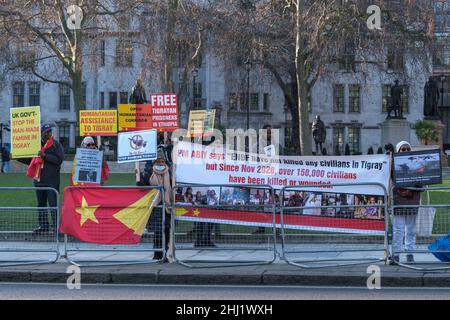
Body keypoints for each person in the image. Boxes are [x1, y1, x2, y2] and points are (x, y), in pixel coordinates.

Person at [16, 124, 64, 234]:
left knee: (53, 205)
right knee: (41, 205)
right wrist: (17, 157)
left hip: (52, 181)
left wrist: (44, 156)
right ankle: (43, 226)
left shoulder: (56, 145)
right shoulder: (36, 145)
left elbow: (59, 160)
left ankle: (57, 228)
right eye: (47, 132)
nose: (49, 133)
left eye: (50, 131)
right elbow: (30, 160)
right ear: (42, 133)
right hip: (39, 180)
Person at [390, 141, 423, 265]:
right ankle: (396, 254)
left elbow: (424, 182)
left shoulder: (417, 165)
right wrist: (390, 154)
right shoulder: (393, 164)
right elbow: (388, 173)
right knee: (398, 229)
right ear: (398, 151)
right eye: (402, 149)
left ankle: (410, 253)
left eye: (407, 149)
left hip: (412, 201)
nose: (405, 151)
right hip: (398, 201)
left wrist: (420, 184)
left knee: (411, 229)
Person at [149, 157, 172, 261]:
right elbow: (143, 185)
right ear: (154, 163)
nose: (161, 163)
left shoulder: (170, 174)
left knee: (166, 230)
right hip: (156, 206)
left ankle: (165, 253)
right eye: (158, 162)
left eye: (162, 162)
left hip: (167, 207)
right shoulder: (149, 174)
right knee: (158, 231)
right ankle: (157, 253)